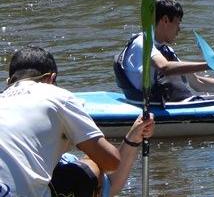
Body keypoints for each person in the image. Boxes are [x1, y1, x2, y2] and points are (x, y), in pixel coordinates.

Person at [0, 46, 155, 197]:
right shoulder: (57, 95)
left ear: (9, 81)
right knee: (89, 165)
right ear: (51, 78)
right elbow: (111, 162)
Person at [116, 0, 214, 103]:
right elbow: (164, 67)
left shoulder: (165, 50)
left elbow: (198, 83)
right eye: (178, 23)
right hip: (153, 108)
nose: (179, 29)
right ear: (165, 20)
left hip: (175, 103)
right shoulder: (143, 42)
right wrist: (213, 65)